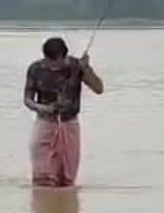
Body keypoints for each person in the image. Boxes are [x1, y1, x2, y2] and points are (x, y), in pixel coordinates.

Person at [24, 36, 104, 188]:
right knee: (43, 177)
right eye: (50, 63)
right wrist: (43, 108)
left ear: (65, 56)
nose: (54, 67)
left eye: (58, 62)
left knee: (67, 179)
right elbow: (27, 100)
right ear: (45, 57)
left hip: (69, 123)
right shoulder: (35, 69)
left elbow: (99, 89)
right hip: (45, 122)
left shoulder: (76, 66)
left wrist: (87, 70)